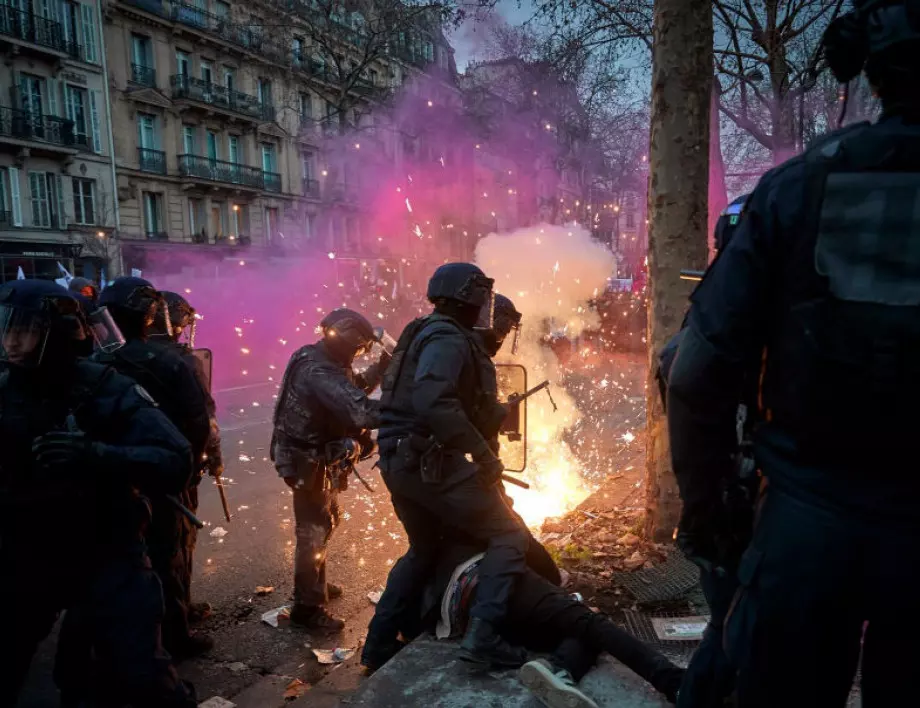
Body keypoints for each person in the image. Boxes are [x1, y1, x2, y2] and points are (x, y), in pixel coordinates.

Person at [667, 2, 920, 706]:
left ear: (866, 72)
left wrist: (711, 510)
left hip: (806, 532)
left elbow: (697, 371)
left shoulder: (793, 191)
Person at [0, 279, 196, 708]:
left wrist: (96, 454)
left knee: (141, 676)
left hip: (105, 550)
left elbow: (175, 458)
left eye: (25, 329)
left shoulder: (103, 387)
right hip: (26, 553)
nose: (12, 341)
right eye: (7, 328)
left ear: (58, 332)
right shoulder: (5, 391)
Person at [364, 263, 533, 669]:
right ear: (470, 296)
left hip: (403, 462)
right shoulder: (447, 337)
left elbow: (450, 403)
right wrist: (483, 453)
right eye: (482, 297)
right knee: (510, 536)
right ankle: (483, 637)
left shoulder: (429, 331)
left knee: (423, 550)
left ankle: (378, 645)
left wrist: (493, 415)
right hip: (429, 464)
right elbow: (434, 401)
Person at [90, 276, 212, 659]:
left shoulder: (96, 361)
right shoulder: (172, 362)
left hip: (112, 476)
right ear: (148, 315)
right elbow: (197, 424)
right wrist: (186, 471)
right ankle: (174, 637)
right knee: (167, 555)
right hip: (161, 476)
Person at [412, 540, 685, 708]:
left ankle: (559, 669)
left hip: (461, 619)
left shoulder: (428, 521)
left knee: (572, 628)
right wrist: (556, 589)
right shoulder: (485, 504)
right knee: (588, 622)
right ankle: (673, 682)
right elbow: (532, 551)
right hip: (488, 583)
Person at [271, 308, 386, 631]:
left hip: (316, 457)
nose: (358, 353)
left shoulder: (325, 359)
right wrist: (413, 404)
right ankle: (307, 607)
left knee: (327, 519)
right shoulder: (318, 370)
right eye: (359, 348)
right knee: (313, 531)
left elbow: (353, 388)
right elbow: (361, 412)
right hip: (306, 459)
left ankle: (315, 584)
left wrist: (380, 369)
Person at [149, 290, 223, 624]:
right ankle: (177, 620)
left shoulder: (117, 355)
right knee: (177, 544)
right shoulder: (182, 361)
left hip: (135, 469)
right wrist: (213, 458)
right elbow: (204, 419)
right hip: (176, 466)